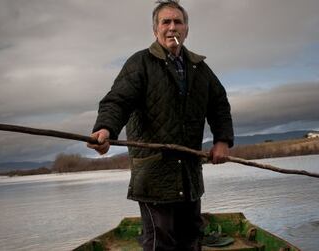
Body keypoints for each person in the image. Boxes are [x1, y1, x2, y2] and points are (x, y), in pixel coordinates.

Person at [87, 0, 234, 250]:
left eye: (178, 22)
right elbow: (117, 101)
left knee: (191, 238)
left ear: (186, 30)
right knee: (161, 242)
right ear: (155, 30)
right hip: (154, 176)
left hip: (188, 175)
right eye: (166, 22)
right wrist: (106, 129)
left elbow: (219, 105)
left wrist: (222, 141)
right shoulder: (140, 63)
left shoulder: (200, 68)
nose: (172, 27)